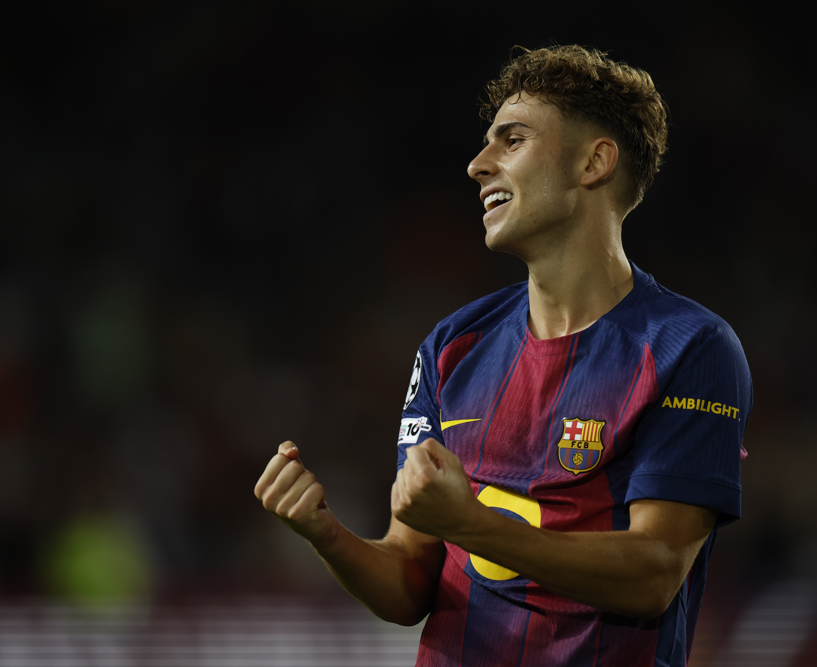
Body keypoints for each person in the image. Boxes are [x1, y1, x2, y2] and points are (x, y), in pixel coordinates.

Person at [255, 45, 751, 666]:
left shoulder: (689, 347)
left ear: (594, 162)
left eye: (512, 141)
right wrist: (326, 533)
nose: (477, 165)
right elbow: (411, 578)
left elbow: (653, 573)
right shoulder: (452, 347)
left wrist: (472, 525)